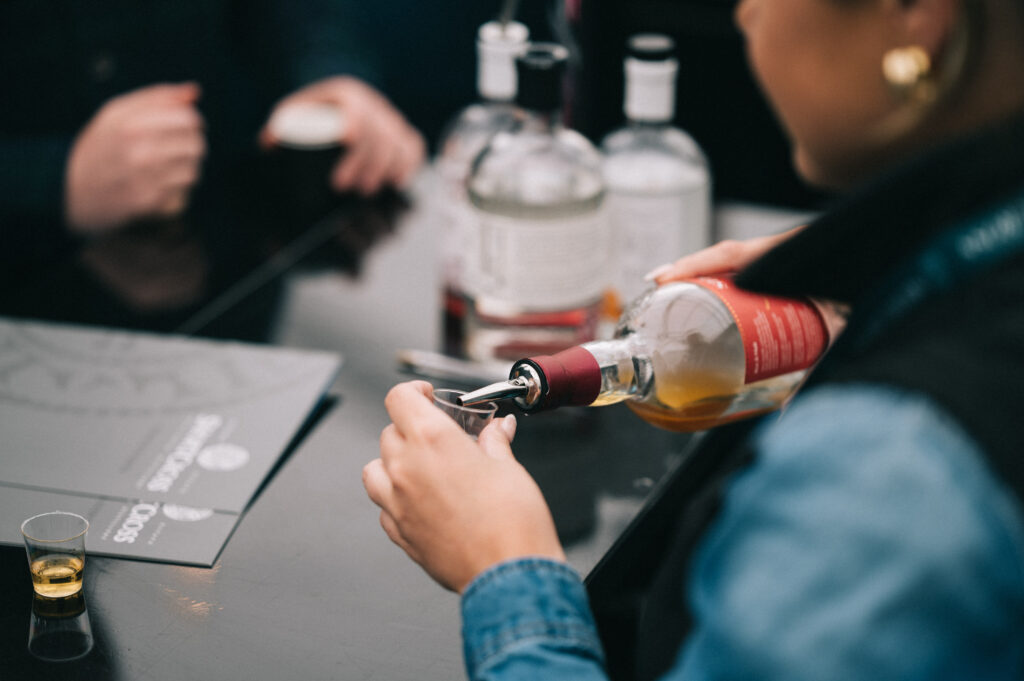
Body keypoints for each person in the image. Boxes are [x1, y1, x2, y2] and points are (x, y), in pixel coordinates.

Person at [364, 0, 1024, 678]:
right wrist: (884, 262)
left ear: (916, 16)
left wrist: (503, 564)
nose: (745, 12)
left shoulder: (881, 468)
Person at [0, 0, 424, 339]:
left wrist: (328, 74)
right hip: (28, 313)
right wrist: (51, 177)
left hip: (233, 283)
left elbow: (298, 16)